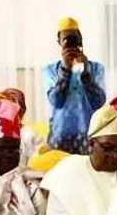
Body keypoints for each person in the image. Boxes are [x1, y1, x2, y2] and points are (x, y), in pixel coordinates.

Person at [43, 16, 106, 154]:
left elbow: (99, 103)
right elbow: (55, 101)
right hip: (59, 136)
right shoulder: (50, 69)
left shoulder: (96, 68)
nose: (70, 43)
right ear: (59, 42)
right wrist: (65, 70)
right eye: (66, 39)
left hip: (89, 135)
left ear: (80, 40)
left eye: (74, 38)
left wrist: (86, 74)